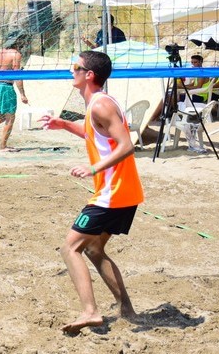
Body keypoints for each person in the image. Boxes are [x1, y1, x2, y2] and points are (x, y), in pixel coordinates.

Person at [40, 50, 143, 334]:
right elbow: (95, 134)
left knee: (70, 248)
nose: (70, 71)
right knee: (94, 249)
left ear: (89, 75)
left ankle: (90, 311)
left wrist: (93, 168)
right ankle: (127, 309)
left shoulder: (101, 105)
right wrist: (64, 124)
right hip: (124, 192)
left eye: (75, 67)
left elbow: (126, 145)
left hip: (112, 193)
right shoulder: (97, 103)